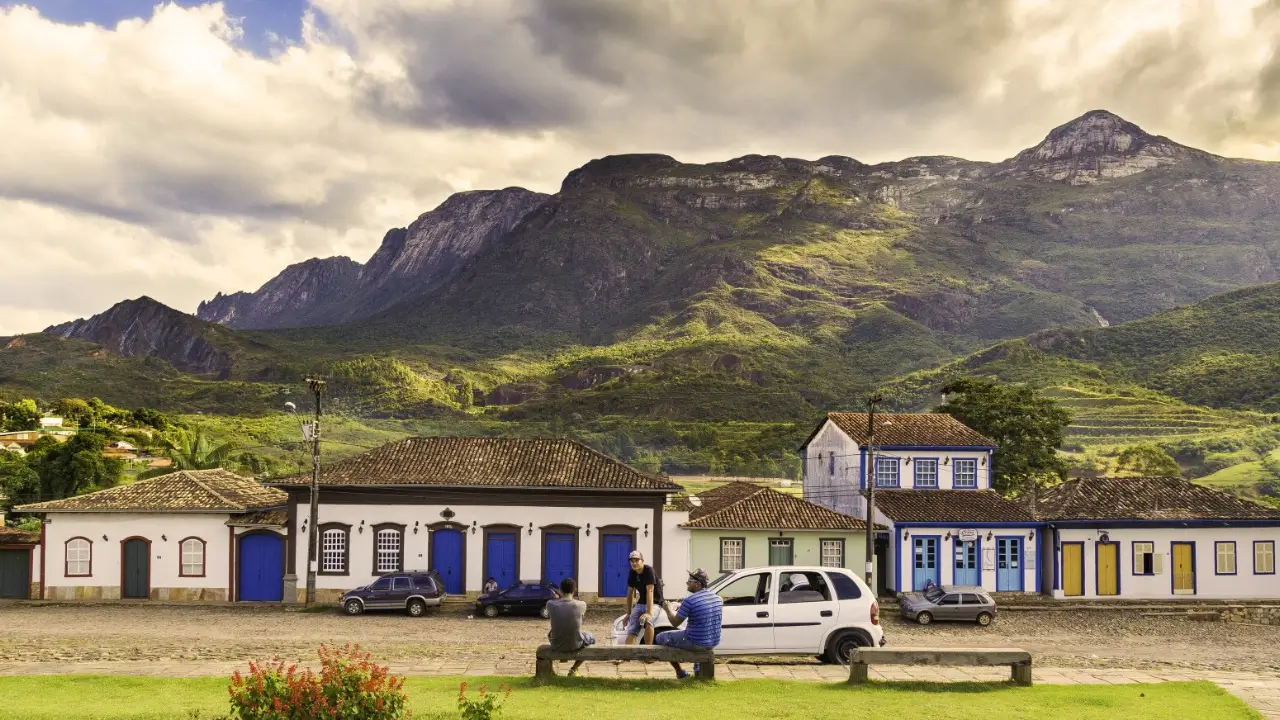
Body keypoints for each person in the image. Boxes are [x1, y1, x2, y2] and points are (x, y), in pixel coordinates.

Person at [655, 568, 723, 679]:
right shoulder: (718, 599)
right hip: (713, 641)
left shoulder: (689, 601)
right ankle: (697, 669)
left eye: (689, 581)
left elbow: (675, 622)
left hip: (696, 641)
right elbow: (703, 606)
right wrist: (682, 607)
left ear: (697, 584)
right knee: (694, 633)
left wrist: (668, 609)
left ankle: (680, 672)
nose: (687, 583)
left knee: (660, 637)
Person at [545, 577, 594, 677]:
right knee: (591, 637)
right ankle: (573, 669)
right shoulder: (582, 605)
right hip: (575, 644)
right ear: (574, 591)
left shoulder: (550, 604)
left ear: (560, 590)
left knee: (558, 631)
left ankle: (552, 669)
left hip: (556, 642)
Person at [624, 550, 662, 646]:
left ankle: (648, 653)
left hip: (655, 603)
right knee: (632, 628)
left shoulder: (648, 570)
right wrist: (628, 613)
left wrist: (649, 612)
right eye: (632, 561)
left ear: (642, 560)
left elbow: (650, 591)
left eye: (636, 560)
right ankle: (625, 655)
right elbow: (630, 592)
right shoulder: (632, 572)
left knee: (648, 621)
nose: (634, 563)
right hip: (641, 603)